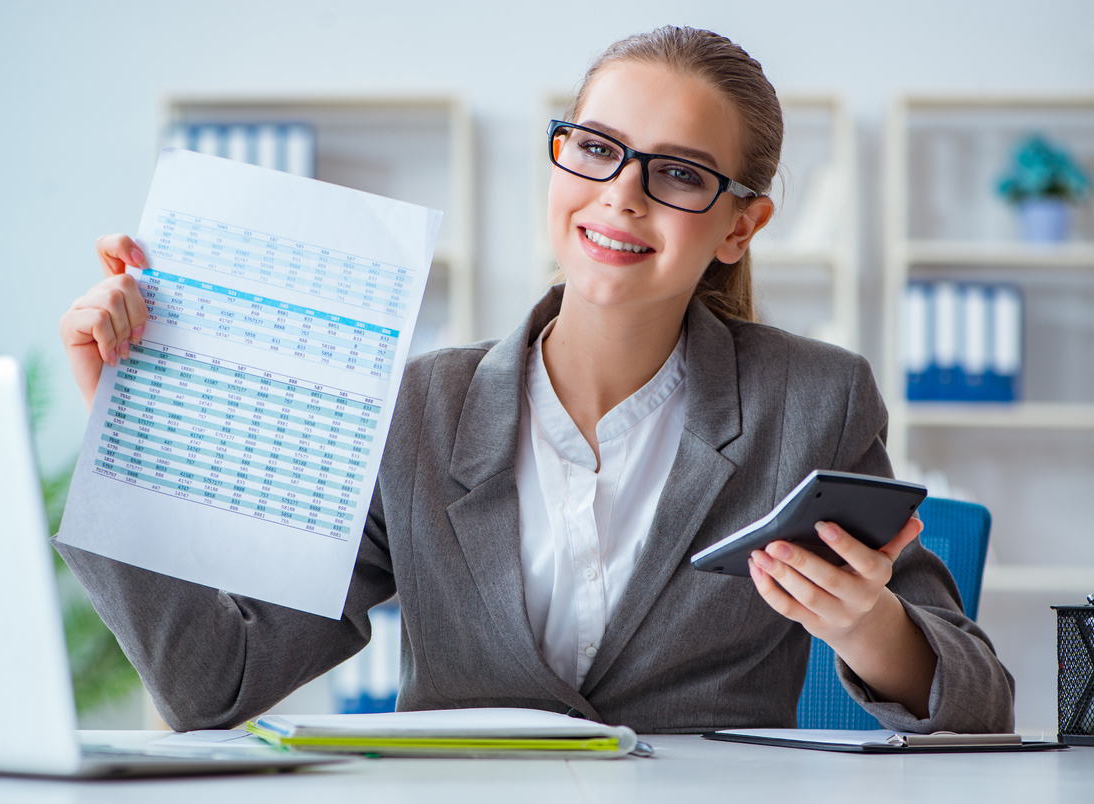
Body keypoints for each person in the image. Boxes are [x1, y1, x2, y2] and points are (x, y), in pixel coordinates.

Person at [56, 26, 1014, 734]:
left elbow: (980, 701)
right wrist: (123, 433)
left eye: (678, 173)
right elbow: (214, 684)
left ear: (739, 226)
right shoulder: (421, 411)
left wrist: (869, 626)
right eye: (597, 148)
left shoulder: (814, 402)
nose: (621, 195)